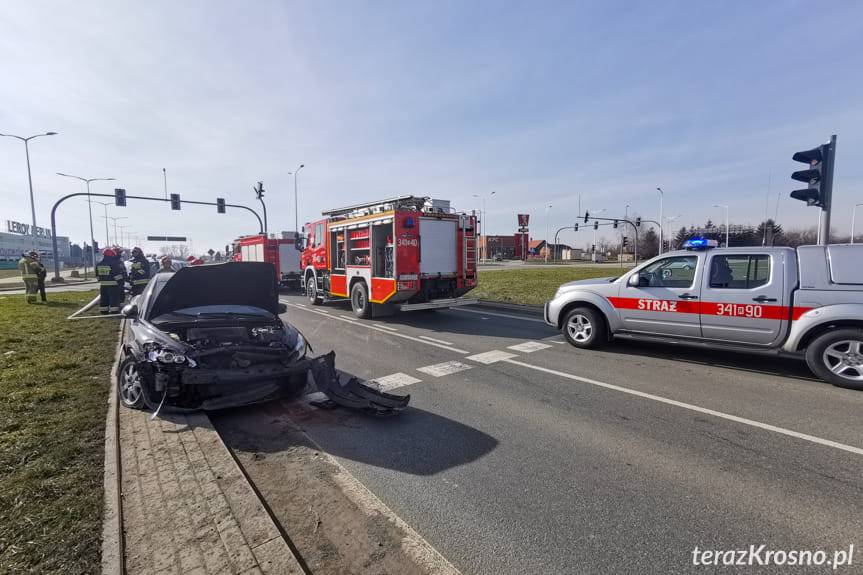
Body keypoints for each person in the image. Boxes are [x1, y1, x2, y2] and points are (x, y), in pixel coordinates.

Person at [96, 248, 127, 314]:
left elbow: (97, 276)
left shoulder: (99, 264)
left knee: (104, 299)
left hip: (103, 286)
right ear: (112, 255)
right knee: (114, 299)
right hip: (113, 285)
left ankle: (104, 311)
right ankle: (114, 311)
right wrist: (121, 283)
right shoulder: (114, 263)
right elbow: (117, 275)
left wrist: (103, 280)